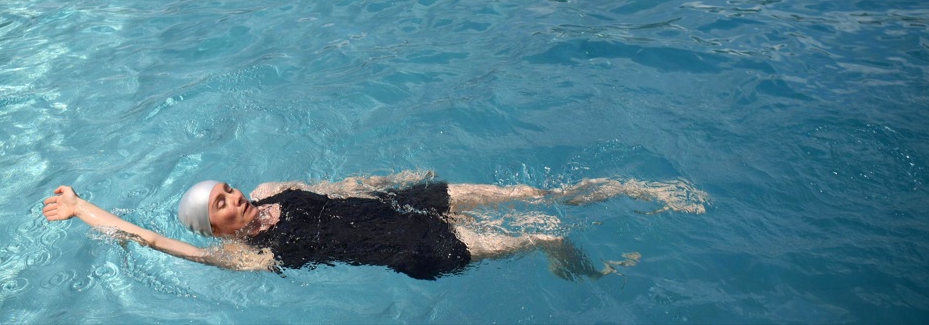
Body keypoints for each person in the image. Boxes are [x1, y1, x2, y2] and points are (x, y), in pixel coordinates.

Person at [42, 172, 706, 281]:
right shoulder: (249, 258)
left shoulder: (273, 186)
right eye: (222, 202)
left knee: (536, 193)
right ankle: (580, 268)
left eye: (228, 187)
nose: (236, 196)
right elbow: (157, 240)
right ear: (216, 229)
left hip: (405, 200)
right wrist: (85, 208)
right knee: (543, 233)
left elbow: (342, 184)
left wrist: (402, 179)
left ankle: (642, 190)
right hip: (413, 245)